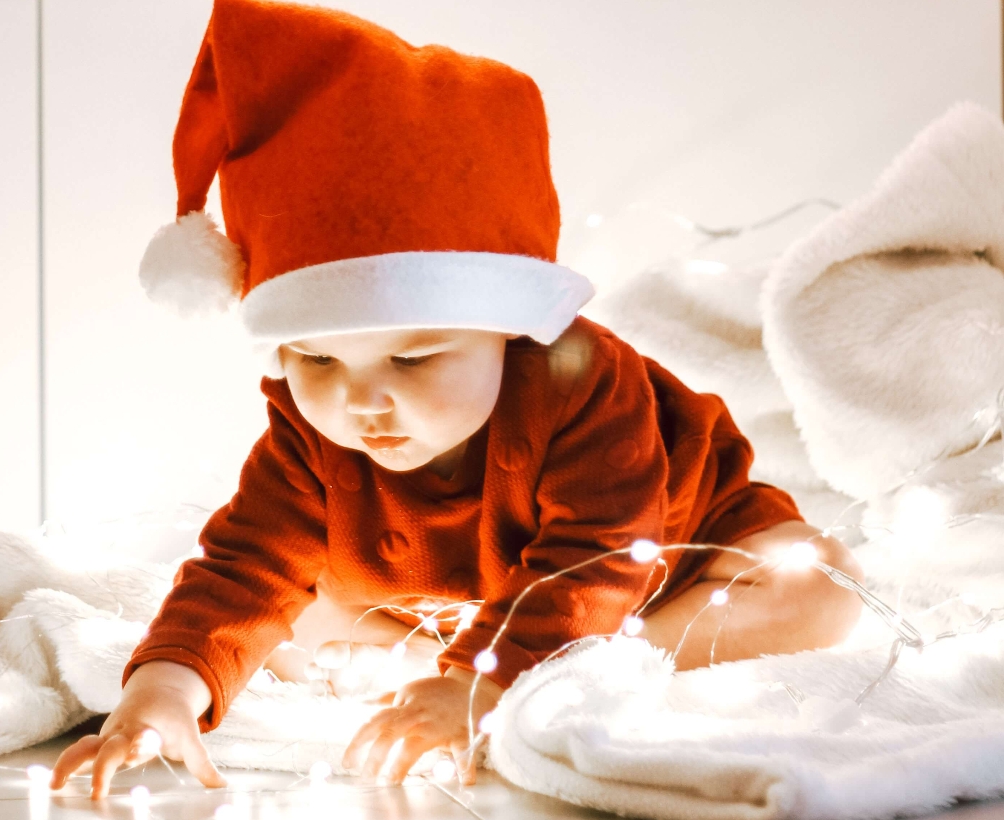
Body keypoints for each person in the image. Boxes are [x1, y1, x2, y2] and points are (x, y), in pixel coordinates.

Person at [51, 0, 864, 799]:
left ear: (506, 331)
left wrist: (487, 683)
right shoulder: (310, 428)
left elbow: (603, 549)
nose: (360, 400)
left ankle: (596, 663)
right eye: (317, 358)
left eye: (412, 358)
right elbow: (241, 565)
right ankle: (455, 659)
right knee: (287, 613)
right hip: (442, 600)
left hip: (665, 566)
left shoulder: (579, 375)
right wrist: (160, 692)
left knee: (818, 585)